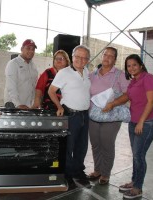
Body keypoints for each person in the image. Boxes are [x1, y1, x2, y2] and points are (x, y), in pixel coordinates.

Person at [48, 45, 91, 189]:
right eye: (78, 56)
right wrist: (59, 107)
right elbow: (51, 91)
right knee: (68, 147)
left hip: (85, 115)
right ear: (72, 57)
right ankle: (67, 175)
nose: (81, 60)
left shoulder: (86, 71)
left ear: (88, 60)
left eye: (84, 57)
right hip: (71, 115)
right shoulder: (64, 72)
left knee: (81, 147)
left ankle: (78, 172)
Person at [119, 54, 153, 199]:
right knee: (136, 155)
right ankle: (134, 181)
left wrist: (141, 121)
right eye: (128, 66)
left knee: (139, 155)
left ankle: (138, 188)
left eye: (134, 64)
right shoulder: (133, 81)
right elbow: (127, 97)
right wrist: (111, 104)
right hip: (134, 122)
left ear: (141, 65)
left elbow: (151, 101)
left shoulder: (148, 78)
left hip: (147, 123)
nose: (131, 68)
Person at [87, 47, 130, 185]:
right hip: (93, 115)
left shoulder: (120, 75)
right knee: (95, 144)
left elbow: (127, 94)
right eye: (105, 54)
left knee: (107, 144)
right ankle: (97, 170)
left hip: (111, 116)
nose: (107, 57)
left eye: (111, 56)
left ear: (115, 60)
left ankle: (105, 174)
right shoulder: (92, 75)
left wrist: (113, 104)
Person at [4, 39, 38, 109]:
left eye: (33, 49)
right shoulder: (13, 64)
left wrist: (34, 103)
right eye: (28, 48)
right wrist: (18, 104)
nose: (31, 51)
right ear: (22, 49)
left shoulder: (34, 66)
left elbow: (34, 87)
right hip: (13, 106)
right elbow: (11, 86)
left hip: (28, 107)